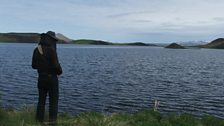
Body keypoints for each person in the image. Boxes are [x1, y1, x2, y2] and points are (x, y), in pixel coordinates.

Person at [32, 31, 62, 124]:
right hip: (51, 79)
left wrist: (42, 66)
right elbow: (56, 66)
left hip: (41, 78)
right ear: (51, 40)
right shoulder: (51, 50)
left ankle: (38, 121)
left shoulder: (36, 50)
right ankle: (52, 122)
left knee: (41, 101)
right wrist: (60, 71)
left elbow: (33, 66)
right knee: (53, 102)